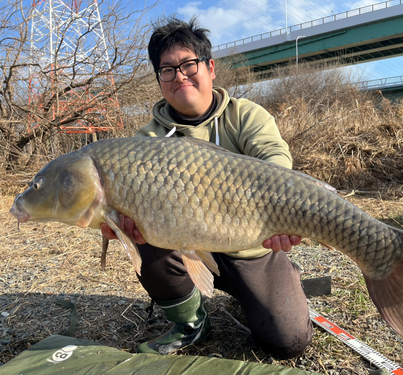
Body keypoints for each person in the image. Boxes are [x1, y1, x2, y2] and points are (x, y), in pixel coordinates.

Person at [101, 17, 313, 359]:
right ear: (159, 80)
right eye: (167, 70)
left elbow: (275, 159)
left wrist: (283, 215)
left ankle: (279, 281)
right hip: (185, 246)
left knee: (288, 342)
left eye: (188, 64)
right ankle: (190, 321)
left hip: (251, 245)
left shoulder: (246, 115)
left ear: (210, 68)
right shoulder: (145, 142)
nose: (179, 76)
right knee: (140, 231)